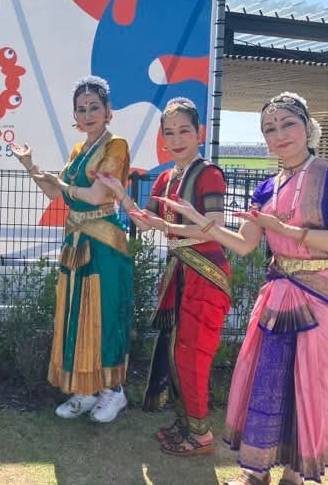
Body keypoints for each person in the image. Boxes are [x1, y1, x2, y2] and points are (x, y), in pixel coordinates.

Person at [148, 92, 328, 484]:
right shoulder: (265, 188)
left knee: (308, 385)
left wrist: (285, 230)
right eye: (269, 129)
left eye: (287, 124)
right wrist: (198, 220)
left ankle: (295, 475)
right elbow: (244, 244)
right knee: (268, 379)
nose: (279, 135)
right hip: (280, 292)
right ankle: (255, 471)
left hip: (326, 295)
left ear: (307, 126)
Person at [96, 97, 231, 455]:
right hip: (179, 272)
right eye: (169, 132)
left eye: (184, 131)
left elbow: (214, 228)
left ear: (200, 132)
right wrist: (121, 194)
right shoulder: (166, 178)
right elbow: (146, 221)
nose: (177, 139)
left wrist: (166, 226)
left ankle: (200, 435)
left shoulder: (209, 174)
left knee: (192, 356)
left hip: (205, 274)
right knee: (176, 353)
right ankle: (185, 423)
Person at [9, 75, 133, 423]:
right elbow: (55, 193)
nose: (88, 114)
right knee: (76, 313)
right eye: (81, 109)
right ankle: (85, 389)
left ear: (108, 110)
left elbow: (95, 196)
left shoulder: (116, 145)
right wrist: (30, 166)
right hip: (76, 241)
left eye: (94, 107)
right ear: (74, 116)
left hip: (104, 242)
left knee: (104, 313)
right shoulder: (79, 150)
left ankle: (113, 391)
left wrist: (62, 185)